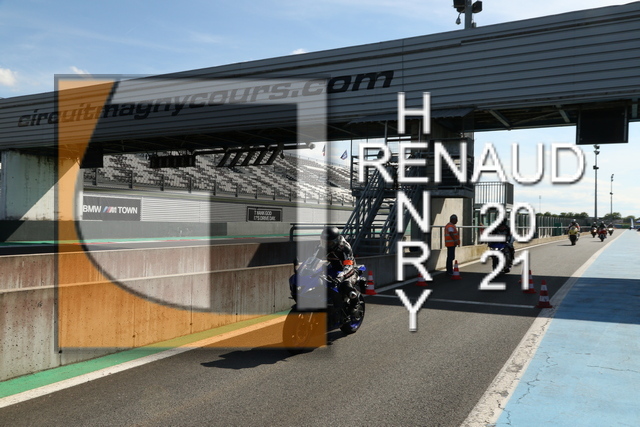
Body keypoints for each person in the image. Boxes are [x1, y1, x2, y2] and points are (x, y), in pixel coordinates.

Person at [319, 226, 359, 299]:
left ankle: (354, 299)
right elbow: (313, 259)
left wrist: (341, 277)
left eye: (329, 243)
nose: (326, 245)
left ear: (336, 241)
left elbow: (349, 265)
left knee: (345, 284)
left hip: (348, 269)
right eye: (324, 242)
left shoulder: (344, 247)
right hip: (333, 267)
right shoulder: (321, 247)